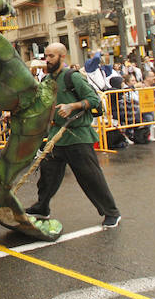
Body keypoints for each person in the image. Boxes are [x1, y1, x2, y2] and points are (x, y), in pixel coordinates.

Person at [25, 43, 122, 229]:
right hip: (57, 137)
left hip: (78, 136)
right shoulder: (46, 81)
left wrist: (73, 106)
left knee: (90, 177)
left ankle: (111, 212)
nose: (47, 60)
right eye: (46, 56)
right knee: (48, 174)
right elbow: (38, 103)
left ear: (62, 57)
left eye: (51, 56)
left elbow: (94, 100)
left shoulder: (73, 77)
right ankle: (42, 206)